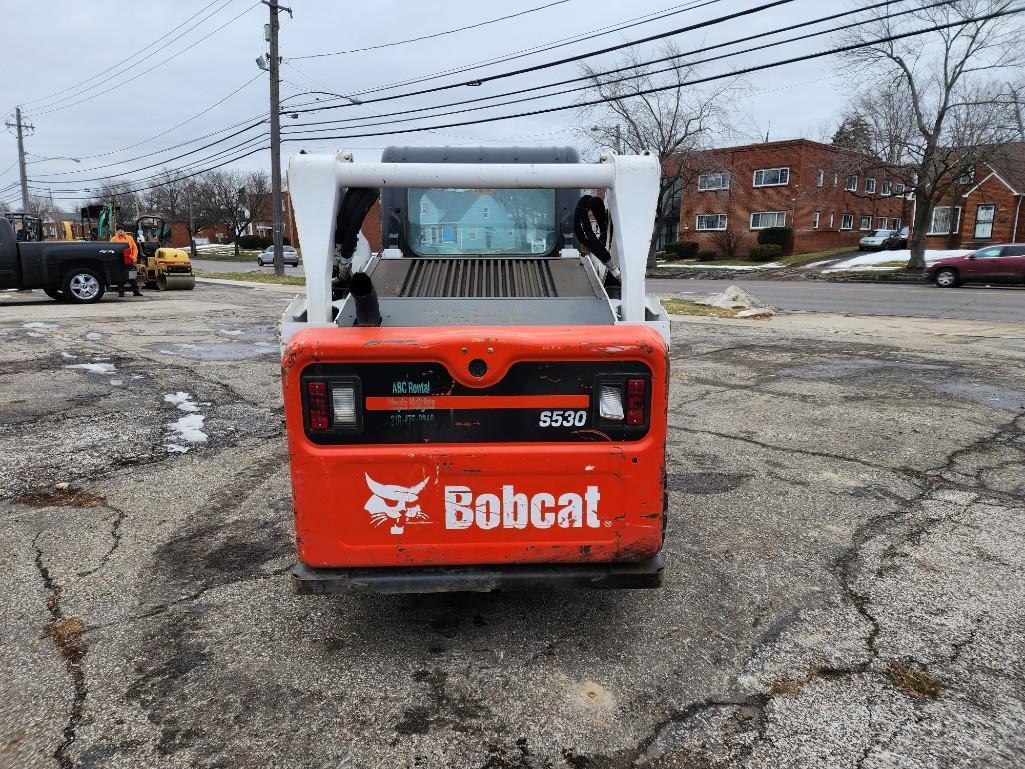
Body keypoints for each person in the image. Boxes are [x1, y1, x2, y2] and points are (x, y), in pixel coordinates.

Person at [110, 227, 143, 297]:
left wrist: (134, 258)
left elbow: (135, 249)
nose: (120, 231)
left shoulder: (130, 238)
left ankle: (136, 291)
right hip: (118, 261)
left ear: (124, 231)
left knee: (131, 276)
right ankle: (121, 292)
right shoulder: (113, 239)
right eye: (119, 230)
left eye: (122, 230)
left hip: (128, 260)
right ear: (117, 231)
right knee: (119, 277)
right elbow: (110, 249)